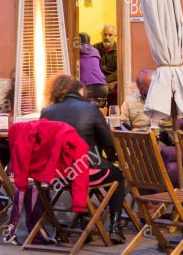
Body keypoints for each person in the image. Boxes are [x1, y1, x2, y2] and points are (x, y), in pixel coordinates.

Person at [40, 75, 126, 244]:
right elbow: (108, 142)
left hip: (57, 175)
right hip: (83, 169)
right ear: (79, 90)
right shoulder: (90, 109)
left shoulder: (46, 112)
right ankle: (115, 227)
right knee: (117, 175)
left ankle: (83, 220)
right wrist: (111, 158)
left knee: (74, 169)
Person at [78, 32, 108, 101]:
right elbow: (100, 68)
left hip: (86, 88)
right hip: (102, 88)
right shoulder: (95, 51)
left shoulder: (76, 52)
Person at [93, 24, 118, 105]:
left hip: (113, 82)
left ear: (115, 36)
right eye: (105, 34)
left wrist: (106, 81)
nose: (107, 37)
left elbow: (119, 71)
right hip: (97, 81)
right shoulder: (94, 48)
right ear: (101, 34)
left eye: (110, 35)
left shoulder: (119, 50)